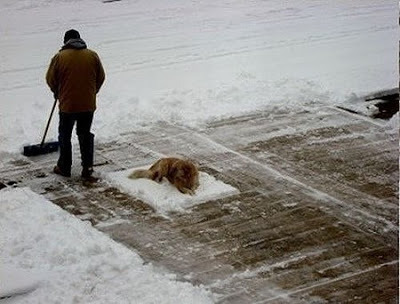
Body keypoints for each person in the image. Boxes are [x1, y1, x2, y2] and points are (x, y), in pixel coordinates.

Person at [46, 29, 105, 180]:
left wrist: (57, 92)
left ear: (66, 42)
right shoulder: (92, 55)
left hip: (68, 105)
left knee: (65, 135)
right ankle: (87, 167)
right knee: (85, 134)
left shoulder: (59, 57)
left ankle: (64, 167)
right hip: (87, 105)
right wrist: (92, 92)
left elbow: (50, 79)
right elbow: (101, 77)